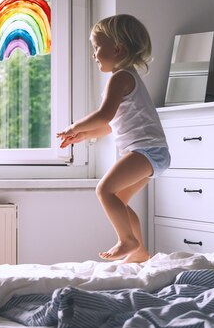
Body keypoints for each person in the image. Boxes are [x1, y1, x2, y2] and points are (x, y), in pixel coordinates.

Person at [57, 14, 170, 264]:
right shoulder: (126, 78)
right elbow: (110, 124)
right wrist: (82, 135)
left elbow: (103, 115)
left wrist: (75, 125)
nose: (94, 54)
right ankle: (139, 252)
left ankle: (127, 241)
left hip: (146, 152)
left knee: (104, 190)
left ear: (117, 48)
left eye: (97, 48)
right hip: (153, 154)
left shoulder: (120, 78)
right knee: (117, 198)